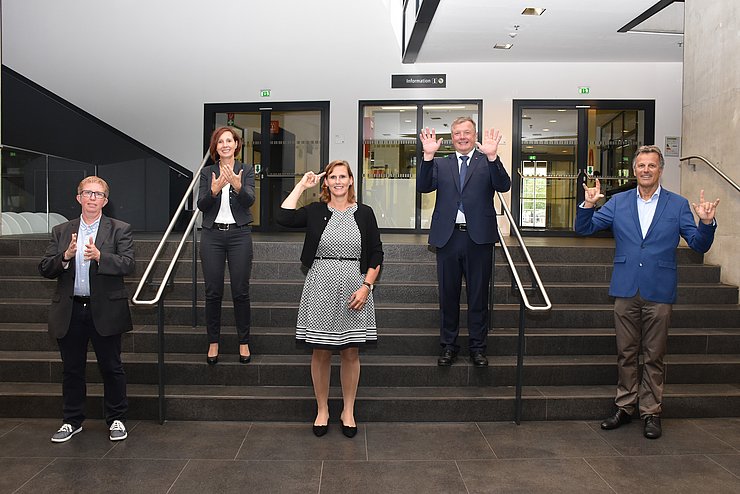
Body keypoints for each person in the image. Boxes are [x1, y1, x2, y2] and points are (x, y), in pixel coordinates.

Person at [576, 145, 719, 439]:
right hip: (626, 287)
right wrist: (588, 204)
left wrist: (706, 223)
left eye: (651, 166)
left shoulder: (677, 205)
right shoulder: (618, 202)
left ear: (660, 170)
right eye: (641, 165)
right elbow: (585, 229)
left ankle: (651, 411)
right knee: (626, 353)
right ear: (634, 170)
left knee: (654, 355)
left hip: (659, 289)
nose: (645, 170)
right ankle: (625, 407)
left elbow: (698, 245)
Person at [276, 160, 383, 438]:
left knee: (350, 352)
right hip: (320, 284)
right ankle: (322, 409)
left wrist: (366, 287)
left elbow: (376, 254)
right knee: (321, 351)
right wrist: (302, 184)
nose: (337, 181)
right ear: (326, 182)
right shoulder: (315, 211)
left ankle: (348, 410)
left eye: (342, 177)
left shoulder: (365, 213)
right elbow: (283, 217)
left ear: (350, 181)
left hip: (354, 287)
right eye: (332, 177)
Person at [39, 176, 134, 443]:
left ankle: (116, 419)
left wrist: (101, 257)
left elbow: (128, 264)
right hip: (70, 310)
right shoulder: (61, 231)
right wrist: (66, 256)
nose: (93, 198)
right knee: (72, 369)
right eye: (87, 193)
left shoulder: (119, 229)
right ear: (78, 197)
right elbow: (45, 268)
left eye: (98, 194)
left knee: (111, 367)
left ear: (105, 200)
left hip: (104, 310)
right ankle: (72, 421)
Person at [417, 117, 511, 367]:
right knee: (448, 296)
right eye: (457, 133)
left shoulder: (486, 161)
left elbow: (504, 184)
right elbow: (423, 186)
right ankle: (449, 346)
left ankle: (477, 347)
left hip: (478, 239)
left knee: (478, 296)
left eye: (466, 132)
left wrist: (493, 157)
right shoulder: (440, 163)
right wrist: (427, 157)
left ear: (475, 134)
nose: (462, 137)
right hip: (448, 238)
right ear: (452, 137)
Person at [197, 126, 256, 365]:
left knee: (240, 291)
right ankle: (213, 342)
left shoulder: (246, 169)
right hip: (212, 235)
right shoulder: (207, 172)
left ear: (236, 144)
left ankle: (243, 341)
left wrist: (237, 185)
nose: (225, 145)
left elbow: (250, 200)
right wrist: (214, 190)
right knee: (213, 292)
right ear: (216, 147)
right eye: (220, 141)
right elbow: (201, 205)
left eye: (228, 140)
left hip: (239, 235)